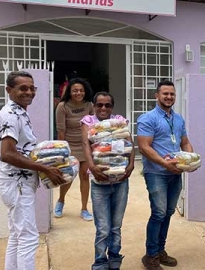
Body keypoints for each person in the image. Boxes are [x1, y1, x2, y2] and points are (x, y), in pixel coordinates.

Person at [0, 71, 66, 270]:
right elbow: (7, 153)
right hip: (16, 183)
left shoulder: (19, 111)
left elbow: (21, 149)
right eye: (23, 88)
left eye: (32, 88)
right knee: (28, 238)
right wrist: (43, 168)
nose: (29, 92)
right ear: (9, 90)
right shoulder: (10, 115)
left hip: (18, 182)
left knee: (18, 236)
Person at [137, 80, 195, 270]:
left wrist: (190, 159)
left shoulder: (178, 119)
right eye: (165, 94)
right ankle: (151, 255)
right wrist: (164, 164)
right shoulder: (148, 118)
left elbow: (185, 142)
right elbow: (144, 147)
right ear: (157, 96)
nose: (169, 97)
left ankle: (160, 250)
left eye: (172, 94)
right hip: (156, 173)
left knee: (169, 212)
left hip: (175, 173)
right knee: (159, 212)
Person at [81, 92, 135, 270]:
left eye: (107, 105)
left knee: (116, 226)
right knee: (103, 227)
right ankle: (100, 262)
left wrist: (131, 164)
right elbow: (86, 145)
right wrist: (92, 167)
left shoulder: (119, 121)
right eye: (99, 105)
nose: (103, 108)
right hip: (99, 181)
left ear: (112, 107)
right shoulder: (88, 122)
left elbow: (129, 142)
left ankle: (114, 259)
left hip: (120, 181)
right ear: (94, 106)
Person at [54, 78, 95, 220]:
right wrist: (62, 152)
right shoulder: (62, 106)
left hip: (85, 145)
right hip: (70, 147)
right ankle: (61, 200)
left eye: (81, 90)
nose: (79, 93)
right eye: (75, 90)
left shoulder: (89, 105)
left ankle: (84, 209)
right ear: (70, 92)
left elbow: (93, 126)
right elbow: (61, 131)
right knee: (69, 177)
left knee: (85, 176)